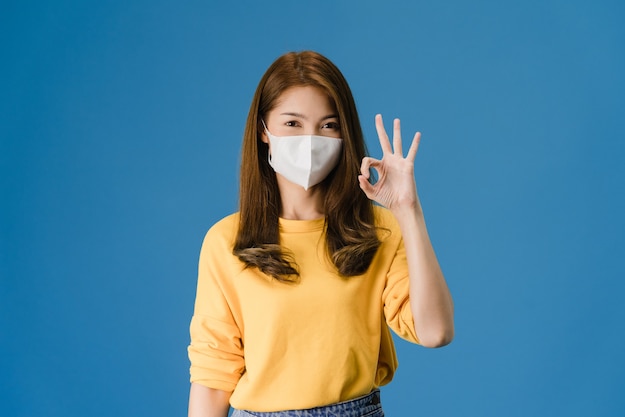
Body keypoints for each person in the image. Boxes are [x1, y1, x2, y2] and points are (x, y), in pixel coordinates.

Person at [187, 50, 454, 417]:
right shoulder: (226, 241)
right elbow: (214, 370)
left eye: (328, 125)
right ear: (264, 130)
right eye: (293, 124)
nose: (311, 140)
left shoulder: (376, 230)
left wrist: (408, 211)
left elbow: (436, 331)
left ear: (344, 134)